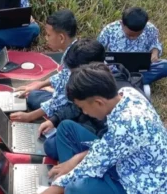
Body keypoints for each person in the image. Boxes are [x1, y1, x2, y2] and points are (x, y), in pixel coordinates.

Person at [42, 63, 167, 194]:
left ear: (98, 103)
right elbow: (107, 148)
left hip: (137, 184)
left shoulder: (127, 124)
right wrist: (74, 163)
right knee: (67, 128)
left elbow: (94, 163)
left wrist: (57, 185)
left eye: (83, 107)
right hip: (124, 162)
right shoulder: (127, 93)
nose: (84, 112)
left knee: (76, 188)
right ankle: (65, 178)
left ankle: (65, 184)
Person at [38, 39, 108, 160]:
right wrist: (54, 120)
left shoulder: (110, 94)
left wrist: (76, 161)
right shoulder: (92, 78)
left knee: (52, 145)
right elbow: (77, 107)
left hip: (97, 135)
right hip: (87, 123)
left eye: (75, 73)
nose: (72, 77)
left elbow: (108, 146)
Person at [10, 9, 77, 123]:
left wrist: (30, 116)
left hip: (76, 107)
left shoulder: (74, 59)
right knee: (34, 94)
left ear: (61, 38)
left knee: (34, 98)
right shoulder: (73, 49)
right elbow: (62, 76)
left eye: (48, 35)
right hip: (69, 98)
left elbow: (60, 101)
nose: (46, 38)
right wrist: (39, 84)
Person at [98, 7, 167, 84]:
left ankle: (125, 82)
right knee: (99, 74)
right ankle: (134, 82)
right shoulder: (109, 30)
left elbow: (155, 43)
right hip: (115, 70)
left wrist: (155, 53)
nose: (133, 38)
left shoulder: (150, 29)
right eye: (129, 35)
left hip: (142, 69)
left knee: (165, 66)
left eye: (137, 35)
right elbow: (97, 50)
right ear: (122, 24)